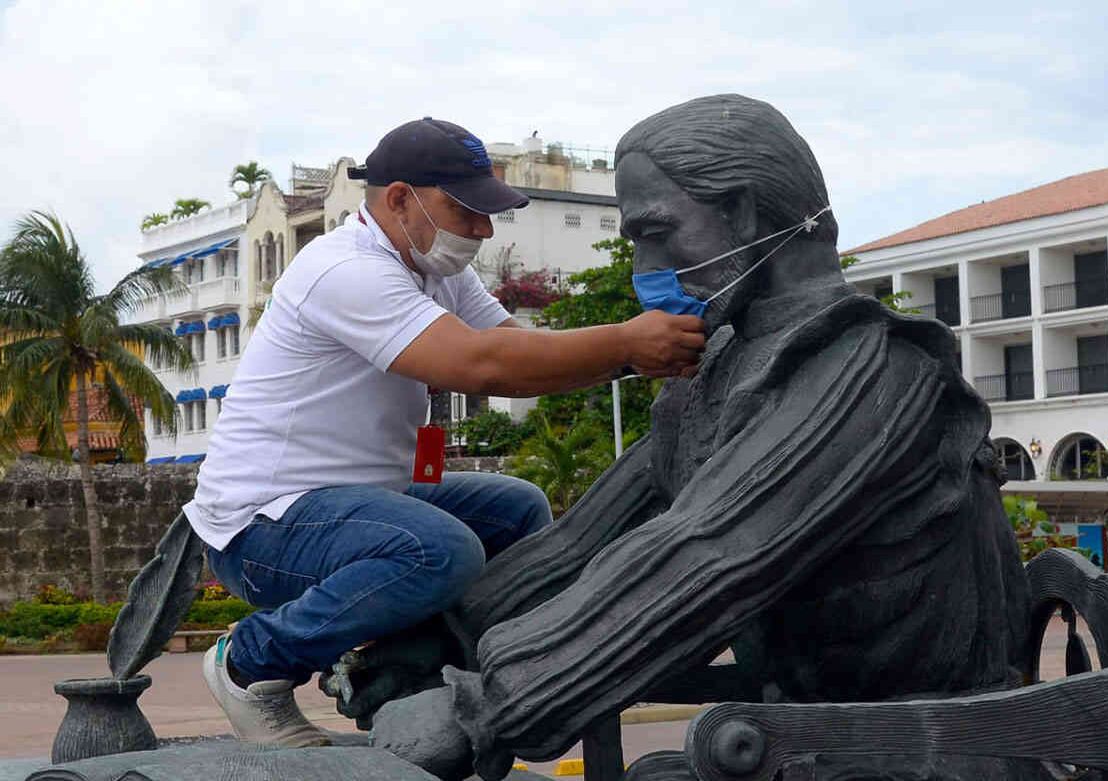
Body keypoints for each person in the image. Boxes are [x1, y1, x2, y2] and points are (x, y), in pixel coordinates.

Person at [368, 95, 1033, 781]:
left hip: (923, 752)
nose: (645, 267)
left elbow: (711, 553)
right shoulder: (718, 367)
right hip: (815, 738)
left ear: (743, 212)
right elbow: (582, 544)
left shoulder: (876, 371)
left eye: (658, 232)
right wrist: (443, 638)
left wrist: (487, 707)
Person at [184, 117, 706, 747]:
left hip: (352, 504)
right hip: (262, 527)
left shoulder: (434, 268)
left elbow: (512, 345)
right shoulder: (343, 270)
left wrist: (630, 347)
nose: (484, 230)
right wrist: (627, 344)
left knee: (518, 511)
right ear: (400, 199)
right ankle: (249, 663)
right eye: (466, 210)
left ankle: (432, 662)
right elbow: (482, 366)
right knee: (439, 550)